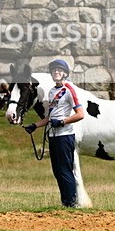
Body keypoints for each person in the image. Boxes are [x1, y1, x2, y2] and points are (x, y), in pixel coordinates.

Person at [23, 59, 84, 208]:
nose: (56, 72)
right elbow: (50, 117)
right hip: (53, 136)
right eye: (54, 70)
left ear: (64, 73)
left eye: (59, 70)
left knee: (65, 170)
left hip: (65, 135)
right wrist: (35, 126)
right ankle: (66, 202)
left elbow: (80, 114)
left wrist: (62, 122)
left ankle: (71, 203)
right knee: (57, 171)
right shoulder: (52, 91)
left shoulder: (69, 90)